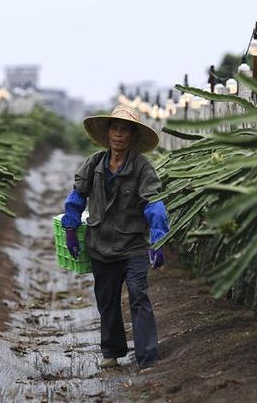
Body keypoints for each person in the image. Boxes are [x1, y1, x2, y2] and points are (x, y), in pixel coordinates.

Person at [61, 104, 170, 371]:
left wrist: (159, 239)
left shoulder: (143, 168)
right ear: (108, 133)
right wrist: (70, 229)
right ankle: (112, 350)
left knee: (138, 295)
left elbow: (154, 203)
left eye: (124, 130)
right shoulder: (94, 164)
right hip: (100, 245)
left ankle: (147, 356)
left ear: (132, 136)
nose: (118, 135)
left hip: (133, 246)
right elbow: (76, 197)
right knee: (106, 300)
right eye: (114, 128)